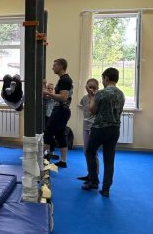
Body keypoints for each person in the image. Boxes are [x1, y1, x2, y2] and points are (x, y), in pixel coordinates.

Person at [82, 68, 125, 198]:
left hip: (100, 128)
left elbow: (92, 111)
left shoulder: (101, 93)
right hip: (115, 129)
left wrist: (92, 96)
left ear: (106, 78)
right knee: (109, 159)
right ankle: (106, 189)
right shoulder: (121, 94)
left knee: (90, 152)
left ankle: (93, 181)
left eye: (103, 79)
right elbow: (119, 111)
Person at [43, 58, 73, 168]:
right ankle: (63, 161)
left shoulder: (64, 80)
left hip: (61, 110)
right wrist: (48, 93)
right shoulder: (63, 79)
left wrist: (48, 93)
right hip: (62, 110)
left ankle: (42, 160)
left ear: (61, 66)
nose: (53, 68)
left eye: (55, 65)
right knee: (60, 135)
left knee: (48, 133)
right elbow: (60, 96)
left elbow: (63, 97)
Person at [77, 78, 99, 182]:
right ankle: (90, 173)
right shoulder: (84, 98)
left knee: (93, 152)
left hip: (94, 126)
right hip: (85, 125)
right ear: (86, 87)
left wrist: (93, 96)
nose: (92, 89)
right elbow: (82, 106)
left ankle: (95, 176)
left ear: (97, 88)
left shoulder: (98, 98)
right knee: (86, 151)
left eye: (94, 87)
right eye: (90, 87)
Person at [43, 81, 58, 160]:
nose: (50, 90)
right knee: (46, 135)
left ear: (54, 90)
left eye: (52, 89)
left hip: (52, 117)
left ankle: (51, 151)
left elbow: (50, 97)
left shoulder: (54, 96)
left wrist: (50, 93)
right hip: (46, 117)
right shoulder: (45, 96)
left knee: (52, 135)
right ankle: (46, 150)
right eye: (48, 88)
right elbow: (45, 96)